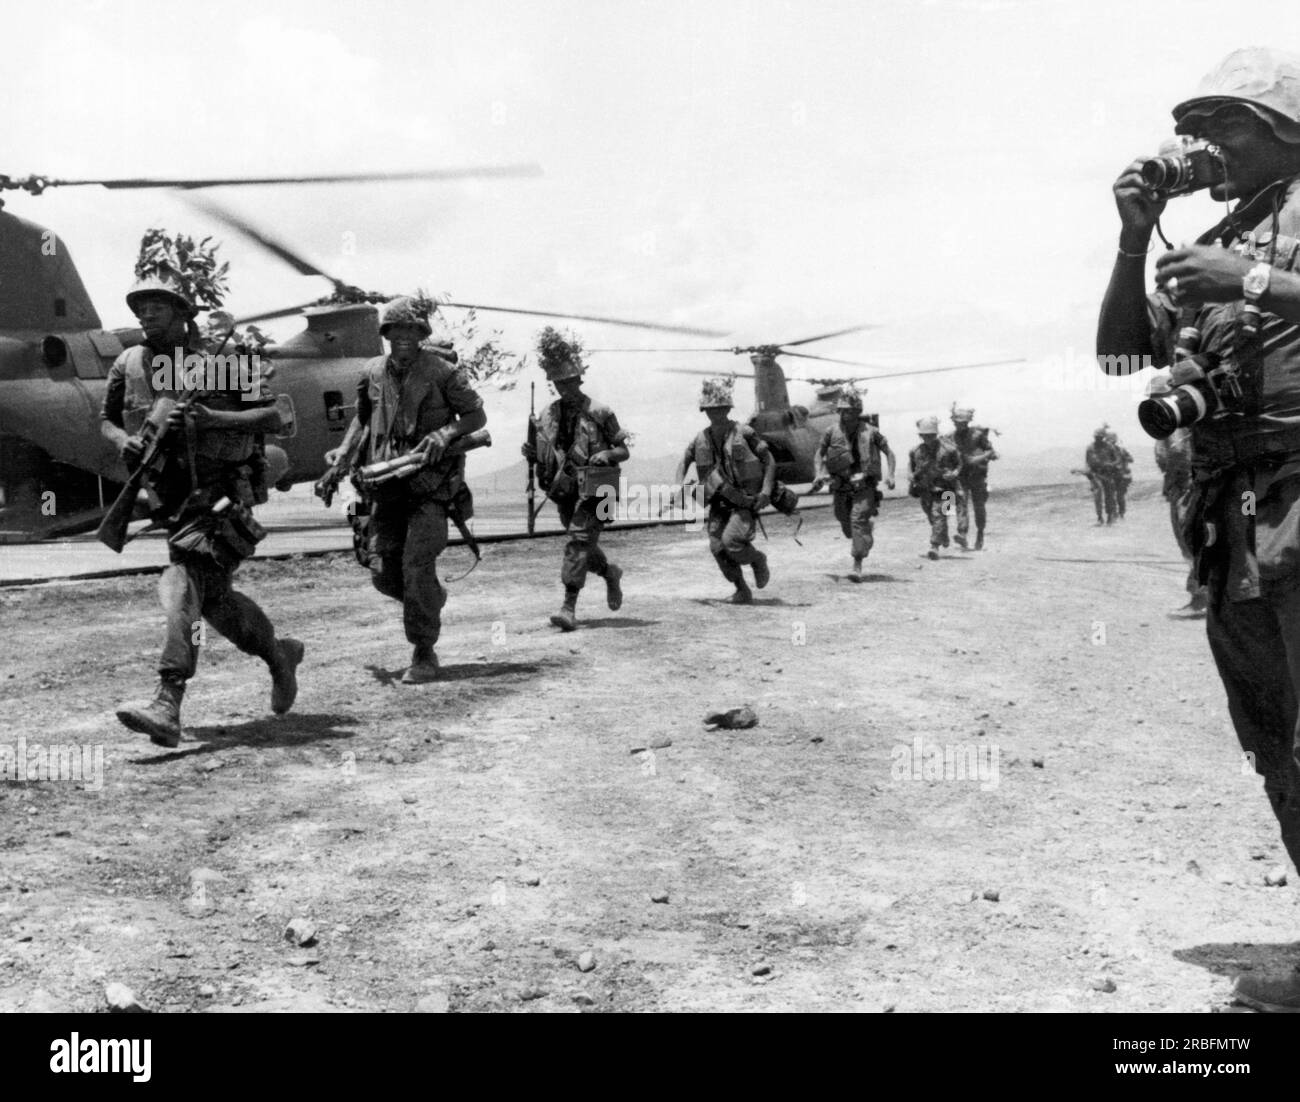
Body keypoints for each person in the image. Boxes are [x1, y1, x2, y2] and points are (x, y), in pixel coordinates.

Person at [1096, 47, 1300, 1011]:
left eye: (1229, 123)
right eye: (1201, 124)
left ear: (1284, 132)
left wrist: (1252, 283)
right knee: (1274, 739)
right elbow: (1124, 357)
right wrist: (1137, 241)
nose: (1204, 142)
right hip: (1235, 514)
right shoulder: (1216, 236)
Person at [101, 273, 302, 746]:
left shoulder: (222, 362)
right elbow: (105, 419)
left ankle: (167, 701)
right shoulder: (128, 363)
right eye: (141, 307)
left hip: (219, 496)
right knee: (215, 603)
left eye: (157, 307)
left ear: (182, 314)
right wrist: (123, 440)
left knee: (180, 585)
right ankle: (278, 655)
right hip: (167, 499)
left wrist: (215, 419)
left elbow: (277, 416)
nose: (146, 314)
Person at [326, 296, 486, 682]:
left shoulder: (443, 373)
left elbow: (476, 416)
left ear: (421, 335)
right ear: (385, 335)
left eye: (410, 332)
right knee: (382, 572)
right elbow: (362, 422)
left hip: (429, 486)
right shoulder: (372, 372)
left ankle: (424, 651)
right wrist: (343, 458)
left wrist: (446, 432)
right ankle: (429, 599)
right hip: (384, 486)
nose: (402, 339)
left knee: (416, 565)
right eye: (394, 332)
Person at [522, 327, 629, 631]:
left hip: (601, 489)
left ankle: (568, 607)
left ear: (579, 380)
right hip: (565, 490)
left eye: (570, 381)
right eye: (559, 383)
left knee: (578, 542)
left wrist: (608, 455)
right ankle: (610, 573)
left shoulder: (600, 412)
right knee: (583, 543)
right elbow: (545, 455)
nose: (565, 388)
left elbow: (623, 450)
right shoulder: (547, 416)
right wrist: (533, 453)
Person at [675, 376, 776, 603]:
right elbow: (684, 461)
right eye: (711, 409)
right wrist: (680, 486)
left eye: (720, 408)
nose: (716, 413)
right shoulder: (700, 438)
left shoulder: (745, 433)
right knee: (718, 548)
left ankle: (758, 560)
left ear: (728, 408)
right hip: (718, 504)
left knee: (732, 542)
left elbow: (769, 460)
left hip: (743, 502)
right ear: (705, 411)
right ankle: (742, 589)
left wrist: (766, 491)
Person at [811, 384, 895, 578]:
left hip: (947, 491)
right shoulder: (832, 431)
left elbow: (888, 453)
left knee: (942, 513)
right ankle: (865, 535)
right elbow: (819, 453)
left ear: (857, 412)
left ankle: (940, 539)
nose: (844, 415)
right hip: (842, 486)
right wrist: (819, 473)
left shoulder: (871, 431)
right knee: (847, 524)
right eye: (842, 411)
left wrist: (890, 476)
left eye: (849, 412)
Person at [1150, 373, 1208, 613]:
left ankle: (1200, 598)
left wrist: (1179, 484)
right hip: (1185, 485)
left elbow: (1176, 455)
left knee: (1189, 538)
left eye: (1158, 396)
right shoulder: (1181, 421)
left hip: (1183, 486)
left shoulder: (1175, 425)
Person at [907, 416, 961, 560]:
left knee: (940, 515)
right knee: (932, 516)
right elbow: (911, 466)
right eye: (924, 435)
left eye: (930, 435)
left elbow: (959, 464)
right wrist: (910, 476)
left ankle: (934, 546)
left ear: (935, 434)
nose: (927, 438)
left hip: (948, 490)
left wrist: (954, 473)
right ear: (920, 435)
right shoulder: (916, 451)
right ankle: (943, 535)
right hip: (925, 490)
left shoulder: (949, 449)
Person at [946, 404, 998, 549]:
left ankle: (980, 533)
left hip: (977, 475)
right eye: (957, 422)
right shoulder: (950, 437)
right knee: (961, 504)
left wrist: (981, 457)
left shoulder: (977, 435)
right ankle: (962, 534)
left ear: (967, 422)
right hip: (961, 476)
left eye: (962, 423)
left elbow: (990, 450)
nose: (959, 425)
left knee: (979, 506)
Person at [1084, 426, 1120, 525]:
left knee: (1109, 496)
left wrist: (1111, 464)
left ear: (1103, 437)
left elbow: (1117, 460)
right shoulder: (1090, 448)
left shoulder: (1109, 447)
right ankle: (1099, 518)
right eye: (1096, 437)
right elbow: (1087, 462)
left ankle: (1109, 516)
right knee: (1097, 495)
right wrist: (1088, 471)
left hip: (1107, 474)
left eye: (1100, 437)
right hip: (1095, 474)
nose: (1097, 439)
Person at [1105, 427, 1134, 519]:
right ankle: (1117, 513)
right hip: (1114, 476)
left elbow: (1131, 459)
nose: (1109, 443)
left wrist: (1123, 459)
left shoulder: (1121, 450)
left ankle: (1120, 513)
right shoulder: (1109, 451)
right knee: (1114, 495)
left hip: (1121, 476)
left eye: (1110, 441)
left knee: (1118, 496)